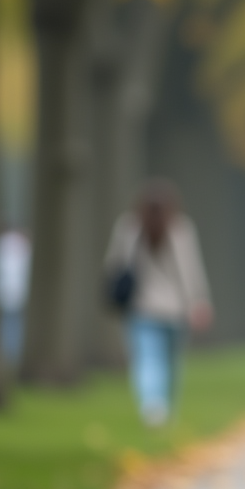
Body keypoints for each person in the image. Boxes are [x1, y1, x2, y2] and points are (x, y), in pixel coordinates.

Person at [104, 180, 212, 427]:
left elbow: (114, 264)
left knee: (147, 359)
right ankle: (163, 409)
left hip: (141, 308)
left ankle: (153, 407)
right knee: (171, 363)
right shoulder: (181, 228)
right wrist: (199, 301)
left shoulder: (128, 227)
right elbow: (191, 270)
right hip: (176, 309)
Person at [0, 226, 31, 365]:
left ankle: (8, 354)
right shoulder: (23, 246)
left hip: (4, 293)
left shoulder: (0, 245)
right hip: (17, 294)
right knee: (14, 325)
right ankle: (12, 354)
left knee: (7, 325)